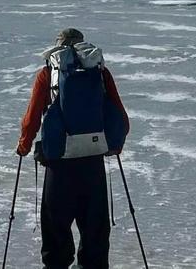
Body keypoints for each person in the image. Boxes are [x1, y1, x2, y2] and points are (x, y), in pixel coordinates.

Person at [16, 28, 130, 269]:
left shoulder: (48, 74)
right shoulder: (99, 73)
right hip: (93, 163)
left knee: (55, 228)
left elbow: (31, 119)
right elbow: (120, 117)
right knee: (95, 230)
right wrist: (115, 147)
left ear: (58, 48)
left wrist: (24, 146)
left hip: (59, 165)